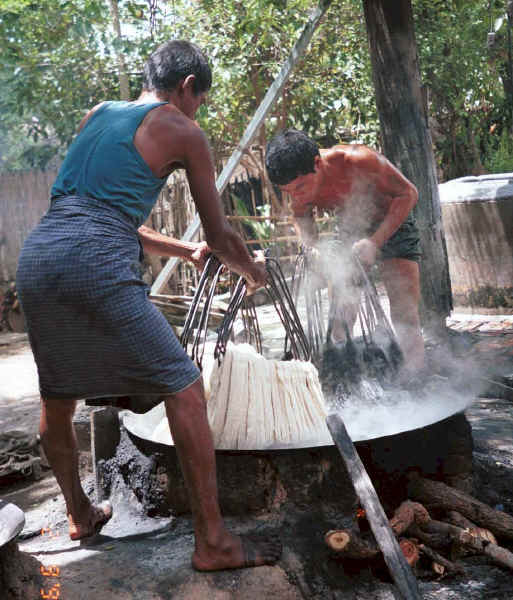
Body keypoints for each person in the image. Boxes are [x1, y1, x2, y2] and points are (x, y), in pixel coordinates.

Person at [16, 40, 281, 571]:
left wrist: (183, 251)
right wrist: (252, 271)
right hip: (94, 263)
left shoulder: (99, 114)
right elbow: (221, 232)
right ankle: (214, 543)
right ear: (187, 88)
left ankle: (80, 515)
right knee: (184, 388)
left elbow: (96, 211)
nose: (197, 111)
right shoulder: (182, 128)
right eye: (199, 100)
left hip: (38, 256)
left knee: (57, 394)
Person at [265, 129, 424, 382]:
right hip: (349, 228)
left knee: (405, 314)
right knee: (339, 317)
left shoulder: (359, 160)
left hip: (393, 223)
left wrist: (375, 242)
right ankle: (346, 383)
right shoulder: (299, 188)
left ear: (317, 163)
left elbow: (409, 194)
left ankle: (416, 382)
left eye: (301, 187)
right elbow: (300, 215)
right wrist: (312, 246)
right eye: (288, 192)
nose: (297, 196)